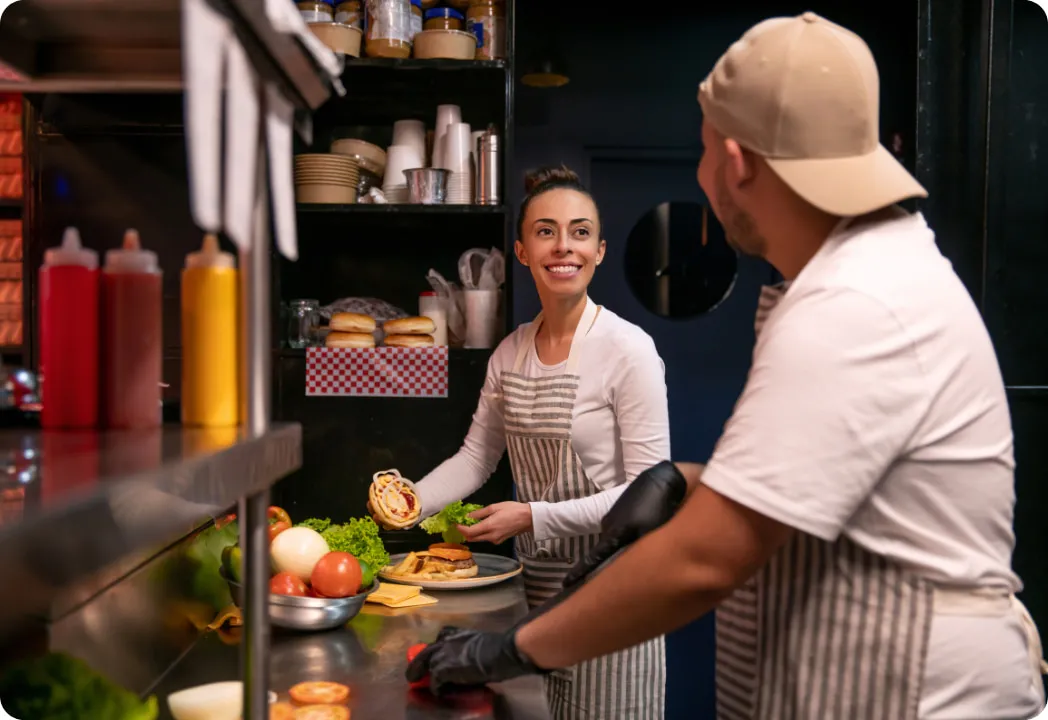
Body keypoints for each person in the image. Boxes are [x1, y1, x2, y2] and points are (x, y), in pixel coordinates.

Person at [405, 12, 1048, 720]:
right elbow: (836, 493)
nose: (704, 174)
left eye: (705, 152)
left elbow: (703, 560)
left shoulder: (852, 303)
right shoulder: (861, 274)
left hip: (909, 690)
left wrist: (511, 649)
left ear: (736, 163)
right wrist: (687, 480)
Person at [398, 165, 671, 719]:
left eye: (579, 231)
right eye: (545, 231)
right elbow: (477, 458)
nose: (563, 246)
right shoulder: (510, 353)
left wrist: (532, 517)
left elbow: (652, 497)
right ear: (522, 251)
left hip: (612, 597)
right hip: (537, 598)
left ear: (598, 250)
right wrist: (411, 501)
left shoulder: (629, 350)